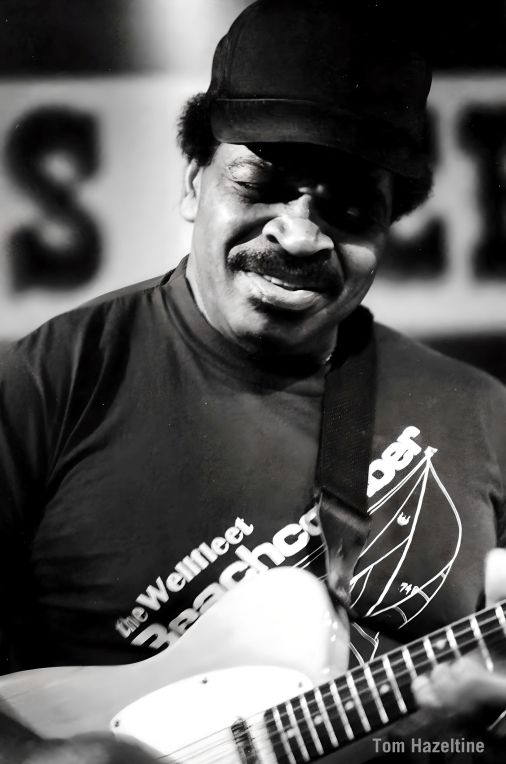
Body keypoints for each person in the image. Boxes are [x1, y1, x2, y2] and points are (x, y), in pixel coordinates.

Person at [1, 1, 506, 762]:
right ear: (193, 181)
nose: (298, 236)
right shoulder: (50, 384)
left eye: (348, 208)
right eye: (261, 184)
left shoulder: (482, 415)